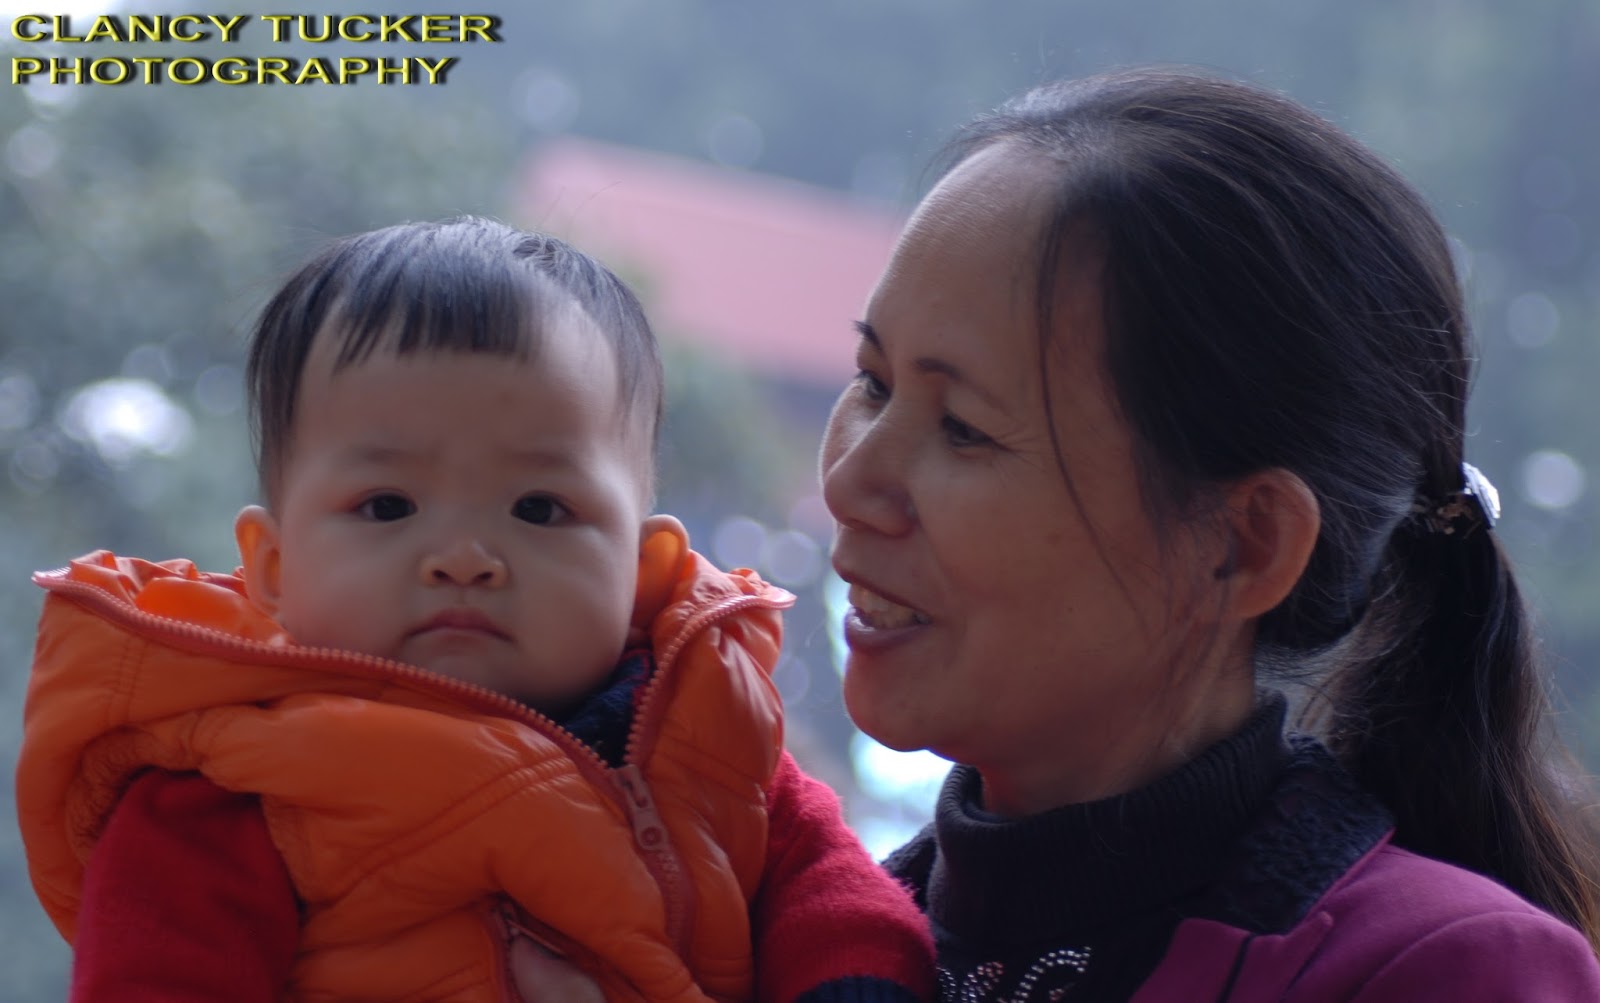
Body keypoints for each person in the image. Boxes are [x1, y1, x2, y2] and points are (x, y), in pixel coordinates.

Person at [813, 68, 1600, 1000]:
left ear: (1244, 545)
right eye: (874, 383)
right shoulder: (793, 934)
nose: (849, 482)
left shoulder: (1437, 971)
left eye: (965, 429)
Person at [17, 218, 934, 1002]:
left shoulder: (717, 741)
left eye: (539, 508)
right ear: (275, 567)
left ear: (642, 566)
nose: (463, 556)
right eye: (388, 505)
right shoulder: (223, 790)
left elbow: (837, 899)